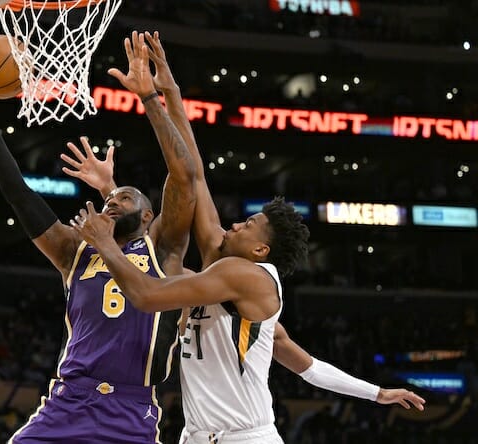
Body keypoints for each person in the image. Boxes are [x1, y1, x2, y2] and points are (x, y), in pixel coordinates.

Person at [69, 31, 425, 444]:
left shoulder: (248, 276)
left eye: (247, 226)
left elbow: (147, 295)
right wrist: (168, 92)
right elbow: (194, 174)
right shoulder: (225, 263)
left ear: (260, 250)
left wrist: (106, 243)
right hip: (197, 436)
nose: (235, 225)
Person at [0, 28, 196, 444]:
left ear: (148, 216)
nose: (113, 200)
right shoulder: (76, 251)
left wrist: (150, 98)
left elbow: (184, 176)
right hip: (67, 402)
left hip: (130, 409)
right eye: (111, 197)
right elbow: (20, 196)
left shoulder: (163, 249)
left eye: (125, 197)